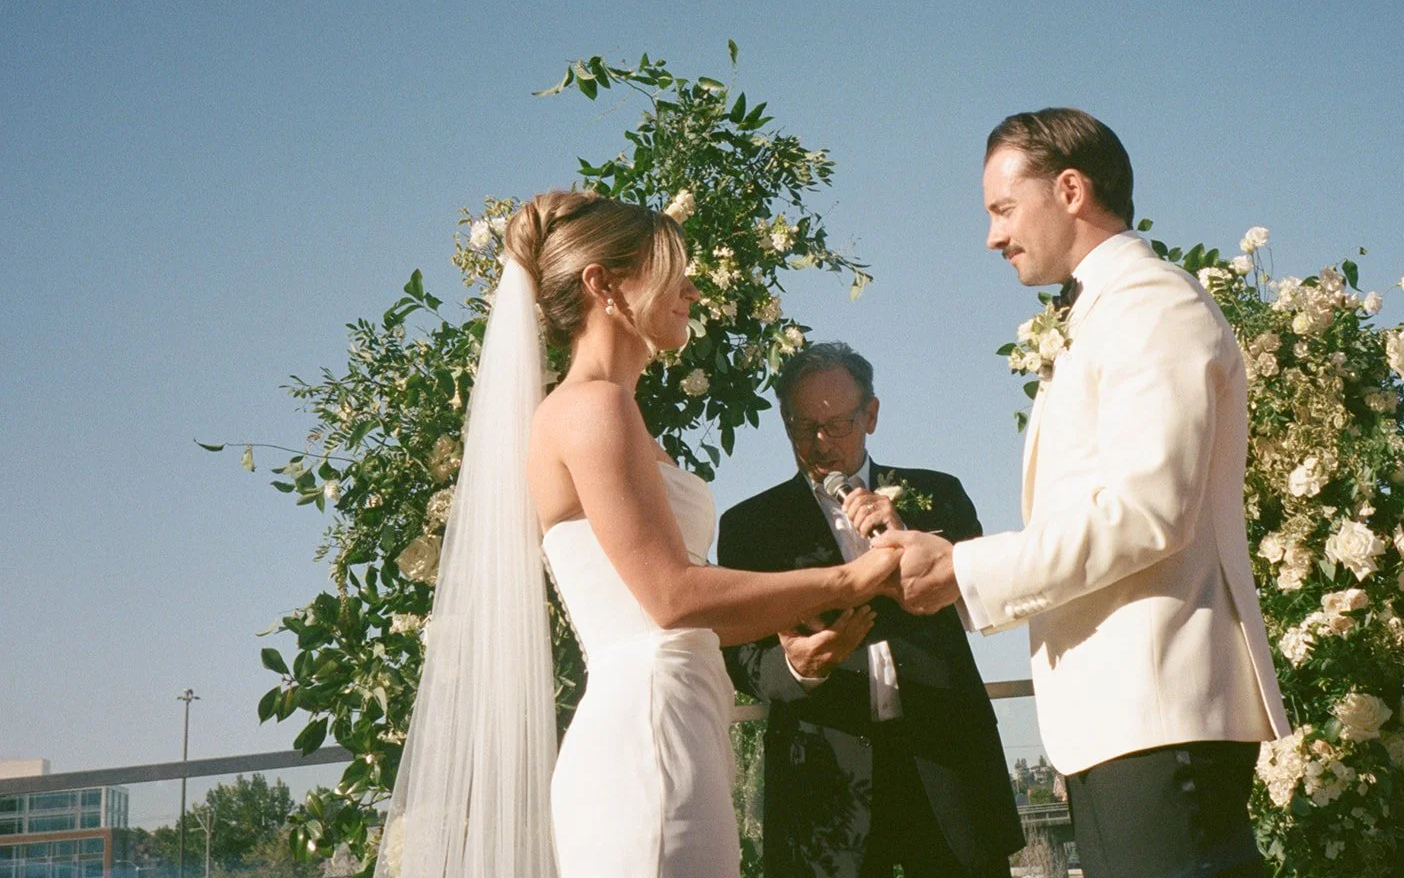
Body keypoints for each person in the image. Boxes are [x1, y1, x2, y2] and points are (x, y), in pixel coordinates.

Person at [376, 190, 900, 878]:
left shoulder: (611, 411)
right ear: (605, 285)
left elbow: (670, 601)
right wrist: (850, 577)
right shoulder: (593, 408)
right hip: (649, 737)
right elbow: (672, 597)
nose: (688, 288)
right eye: (669, 270)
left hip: (674, 718)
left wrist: (798, 625)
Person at [877, 109, 1291, 878]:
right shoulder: (1104, 312)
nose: (992, 238)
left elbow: (1146, 510)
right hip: (1116, 719)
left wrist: (964, 570)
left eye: (1002, 209)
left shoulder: (1152, 303)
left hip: (1162, 711)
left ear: (1070, 189)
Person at [718, 342, 1023, 878]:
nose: (819, 444)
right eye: (801, 425)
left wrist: (905, 531)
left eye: (837, 424)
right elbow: (741, 653)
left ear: (872, 415)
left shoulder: (939, 495)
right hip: (828, 782)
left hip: (948, 765)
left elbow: (978, 595)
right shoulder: (751, 526)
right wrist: (799, 668)